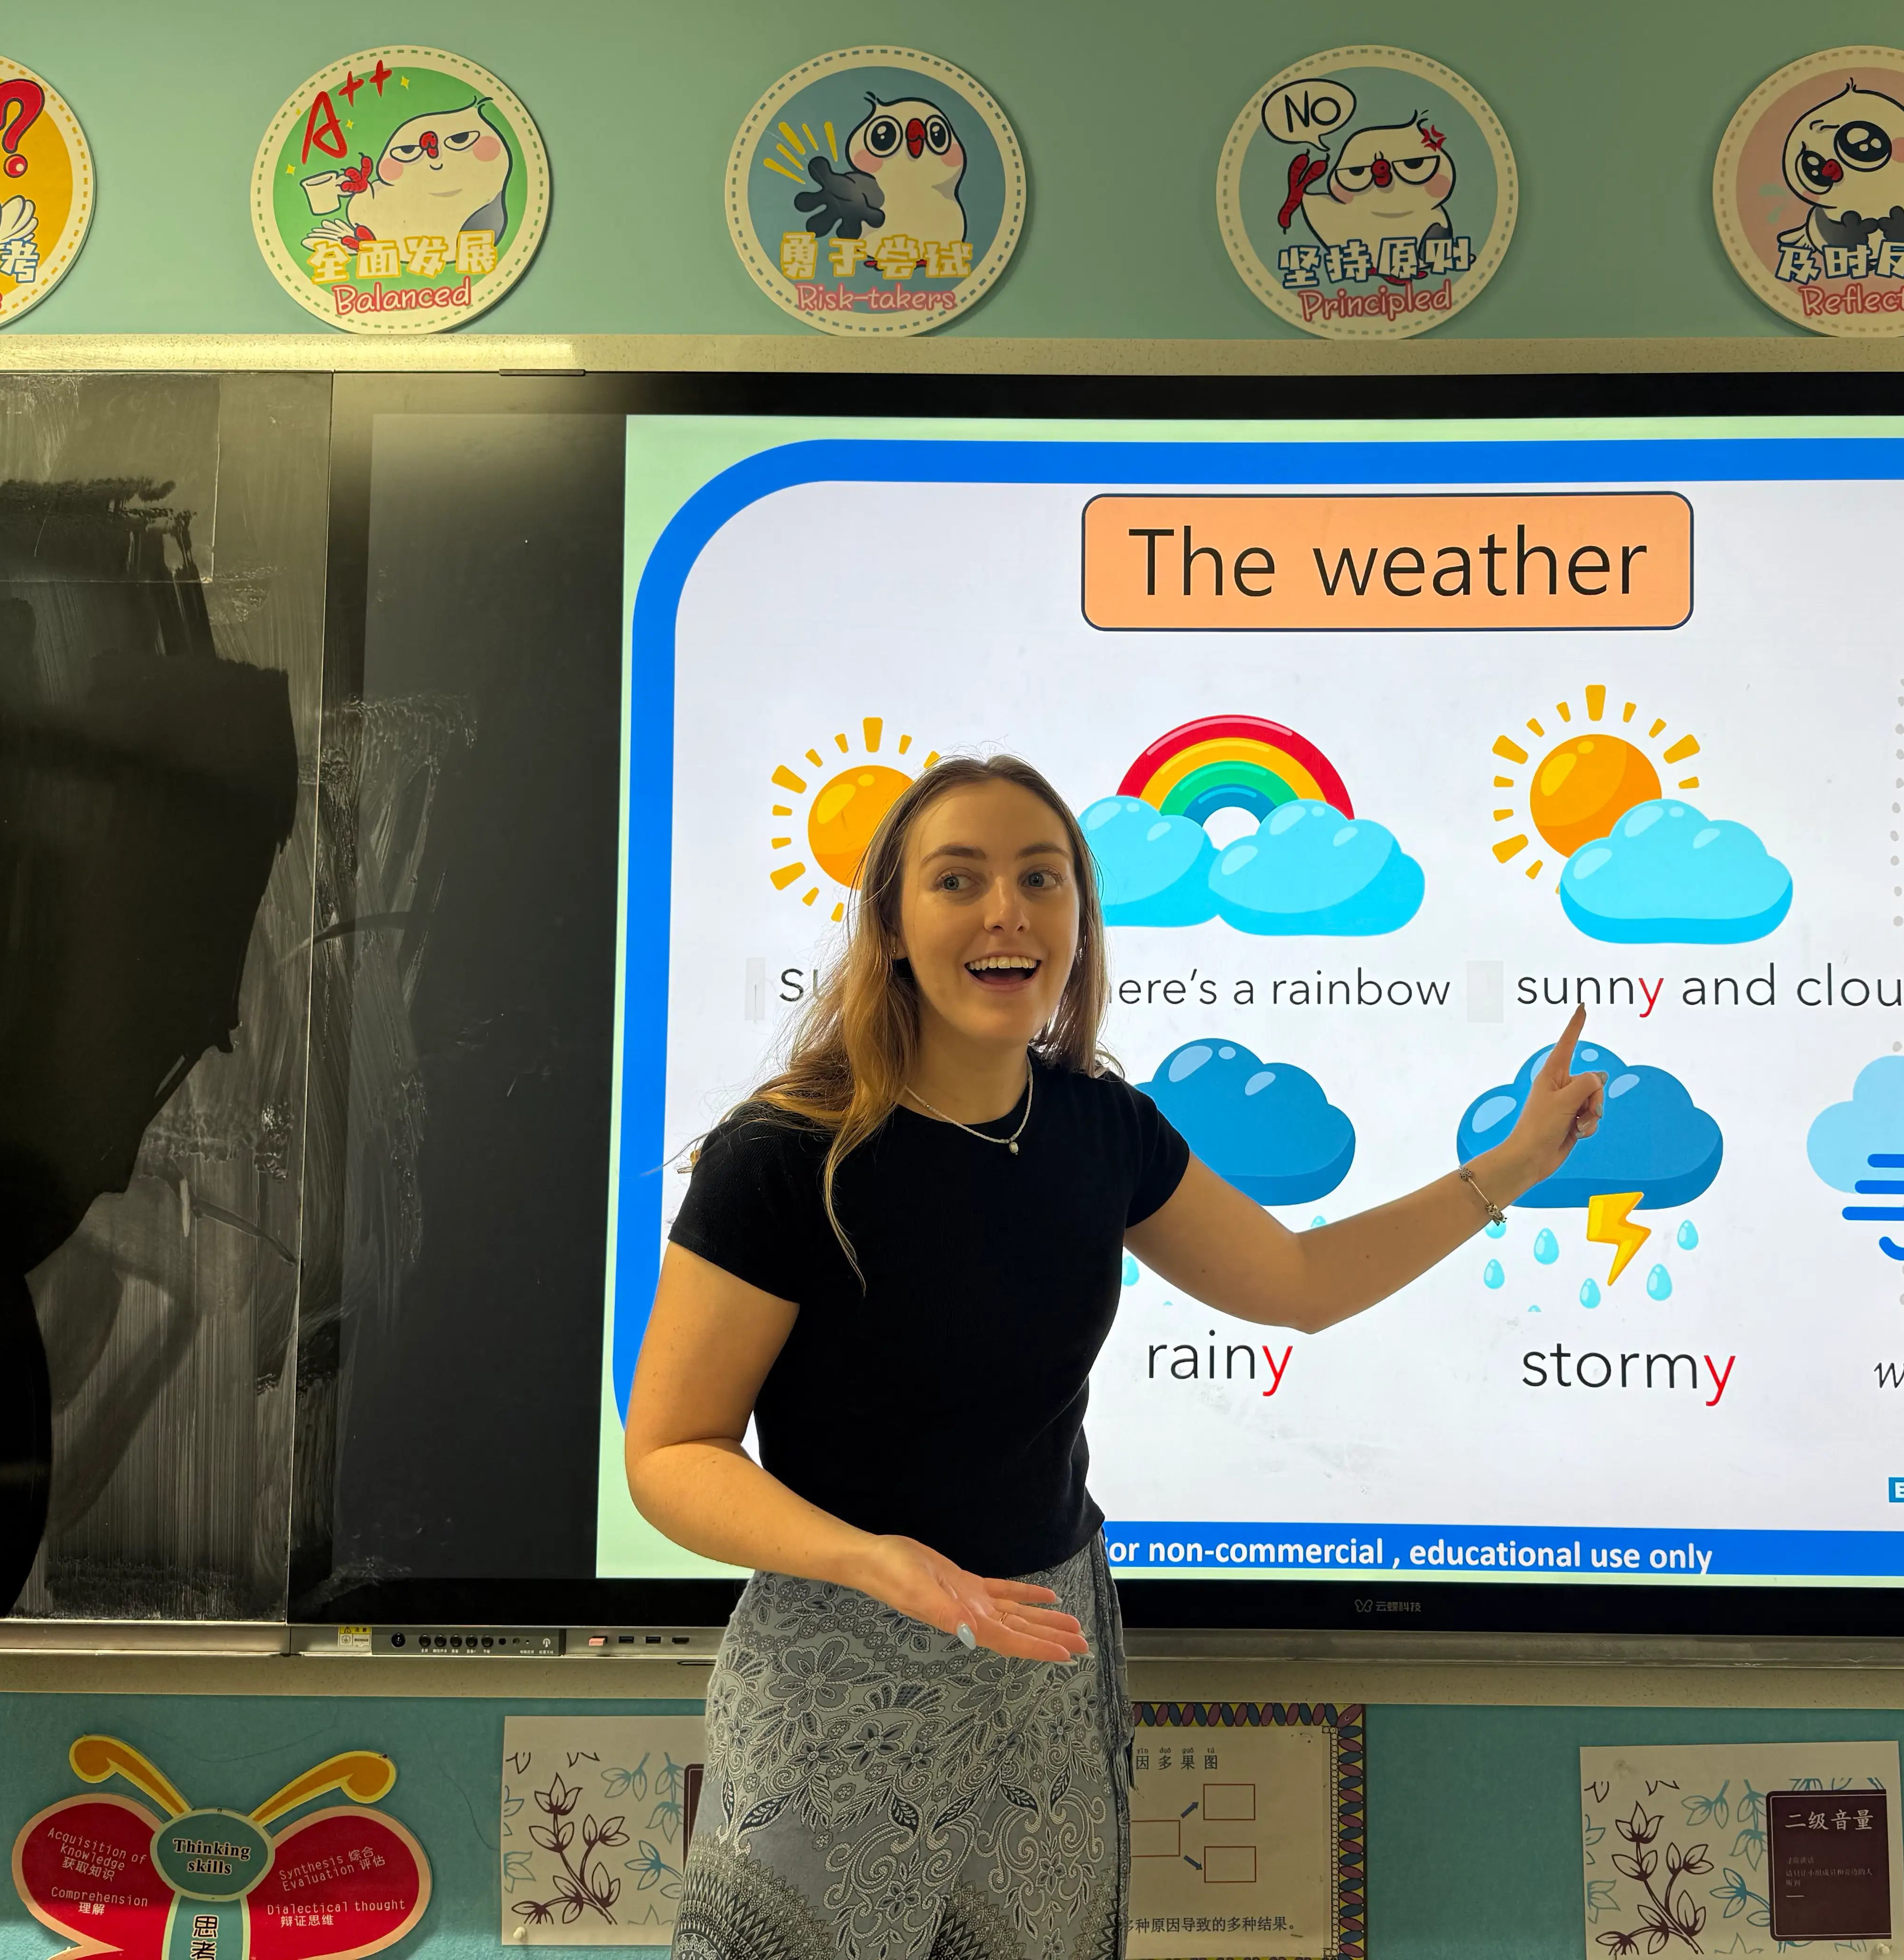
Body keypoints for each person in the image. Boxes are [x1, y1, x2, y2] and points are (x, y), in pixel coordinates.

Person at [628, 753, 1605, 1960]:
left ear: (1079, 926)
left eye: (1043, 879)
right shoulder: (787, 1156)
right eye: (958, 880)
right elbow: (674, 1451)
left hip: (1045, 1661)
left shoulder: (1100, 1124)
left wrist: (1510, 1168)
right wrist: (873, 1561)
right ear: (888, 925)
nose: (1008, 911)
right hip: (840, 1679)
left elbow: (1299, 1285)